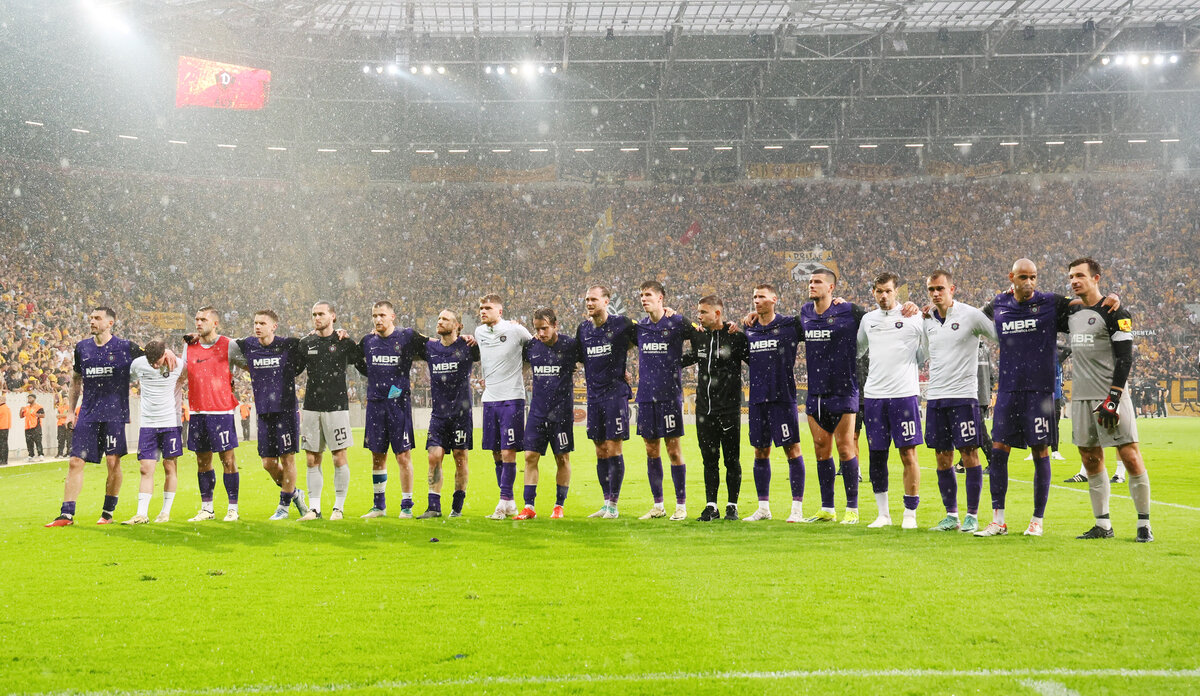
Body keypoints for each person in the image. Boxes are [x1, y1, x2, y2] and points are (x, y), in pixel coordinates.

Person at [975, 258, 1118, 538]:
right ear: (1012, 277)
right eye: (1023, 277)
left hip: (1039, 393)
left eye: (1033, 277)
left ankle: (1037, 520)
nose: (1029, 282)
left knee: (1040, 452)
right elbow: (969, 318)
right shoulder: (999, 303)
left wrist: (1111, 298)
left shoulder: (1051, 302)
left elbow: (1088, 304)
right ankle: (998, 520)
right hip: (1007, 391)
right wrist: (932, 310)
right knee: (998, 452)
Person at [1064, 258, 1154, 543]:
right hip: (1080, 396)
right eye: (1071, 276)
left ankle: (1144, 524)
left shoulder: (1116, 311)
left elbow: (1125, 357)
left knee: (1129, 455)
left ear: (1096, 278)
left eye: (1080, 275)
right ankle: (1103, 525)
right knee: (1090, 458)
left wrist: (1113, 397)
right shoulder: (1069, 311)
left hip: (1110, 395)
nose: (1074, 281)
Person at [47, 307, 155, 526]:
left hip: (114, 414)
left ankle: (107, 513)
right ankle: (66, 514)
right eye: (91, 318)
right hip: (88, 413)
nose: (92, 321)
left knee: (113, 462)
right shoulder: (82, 347)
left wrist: (167, 353)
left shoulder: (126, 347)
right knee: (75, 461)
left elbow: (154, 356)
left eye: (97, 318)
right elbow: (76, 380)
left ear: (110, 323)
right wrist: (71, 411)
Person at [921, 270, 996, 533]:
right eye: (931, 289)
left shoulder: (971, 315)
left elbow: (998, 334)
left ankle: (972, 516)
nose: (935, 294)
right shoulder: (926, 320)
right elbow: (921, 353)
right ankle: (951, 516)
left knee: (969, 454)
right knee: (942, 457)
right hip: (936, 398)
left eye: (940, 288)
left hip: (964, 397)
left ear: (952, 289)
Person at [857, 272, 927, 529]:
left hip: (904, 395)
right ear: (873, 293)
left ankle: (910, 514)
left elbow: (925, 352)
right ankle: (883, 515)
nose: (883, 296)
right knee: (877, 455)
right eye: (879, 291)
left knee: (908, 453)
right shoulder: (868, 320)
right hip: (874, 396)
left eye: (888, 291)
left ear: (897, 291)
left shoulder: (913, 316)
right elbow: (858, 350)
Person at [798, 268, 868, 525]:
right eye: (810, 281)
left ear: (831, 288)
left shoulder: (849, 311)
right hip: (815, 394)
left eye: (817, 282)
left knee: (846, 449)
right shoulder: (805, 313)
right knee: (821, 451)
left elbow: (878, 319)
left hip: (843, 391)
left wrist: (907, 309)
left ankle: (852, 509)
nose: (811, 285)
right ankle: (827, 508)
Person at [235, 309, 311, 521]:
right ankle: (294, 493)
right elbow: (221, 343)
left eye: (262, 323)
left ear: (274, 326)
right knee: (268, 463)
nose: (257, 326)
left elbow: (313, 342)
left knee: (287, 459)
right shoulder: (249, 344)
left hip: (285, 412)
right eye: (255, 323)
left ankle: (283, 506)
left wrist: (339, 333)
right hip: (264, 412)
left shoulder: (288, 345)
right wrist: (197, 337)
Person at [355, 301, 428, 519]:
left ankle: (406, 506)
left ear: (392, 317)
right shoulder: (367, 341)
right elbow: (357, 361)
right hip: (375, 404)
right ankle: (379, 506)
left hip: (398, 404)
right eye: (374, 315)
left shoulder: (406, 336)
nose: (378, 319)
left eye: (382, 315)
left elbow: (434, 345)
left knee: (403, 456)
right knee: (377, 456)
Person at [633, 281, 698, 521]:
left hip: (669, 396)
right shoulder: (639, 327)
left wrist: (680, 362)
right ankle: (658, 505)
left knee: (673, 450)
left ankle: (681, 505)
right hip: (645, 396)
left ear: (661, 298)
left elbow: (700, 337)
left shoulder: (677, 322)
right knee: (651, 450)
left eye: (648, 295)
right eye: (641, 295)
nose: (643, 299)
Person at [741, 283, 805, 522]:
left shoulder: (790, 325)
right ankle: (763, 508)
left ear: (774, 299)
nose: (757, 301)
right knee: (760, 451)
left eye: (761, 297)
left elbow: (816, 320)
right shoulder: (749, 329)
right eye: (754, 297)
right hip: (757, 400)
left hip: (783, 398)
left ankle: (796, 509)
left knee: (792, 450)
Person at [683, 295, 748, 521]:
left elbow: (756, 361)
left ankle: (732, 505)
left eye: (703, 312)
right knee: (709, 461)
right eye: (698, 312)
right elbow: (687, 352)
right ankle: (711, 506)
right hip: (704, 412)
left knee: (731, 460)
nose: (699, 316)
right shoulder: (699, 337)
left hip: (729, 411)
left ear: (717, 313)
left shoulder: (736, 337)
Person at [575, 285, 636, 519]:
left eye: (594, 299)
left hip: (615, 395)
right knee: (600, 450)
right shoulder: (583, 329)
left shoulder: (622, 324)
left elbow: (644, 336)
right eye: (587, 299)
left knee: (613, 447)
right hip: (594, 396)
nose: (589, 303)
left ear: (606, 301)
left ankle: (614, 504)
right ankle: (605, 502)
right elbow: (579, 357)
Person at [298, 301, 361, 521]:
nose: (317, 318)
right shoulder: (306, 343)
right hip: (311, 407)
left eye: (321, 314)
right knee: (311, 458)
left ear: (332, 316)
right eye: (314, 314)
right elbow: (293, 368)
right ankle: (314, 509)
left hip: (337, 408)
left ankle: (338, 508)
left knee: (338, 457)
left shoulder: (344, 342)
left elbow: (362, 361)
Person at [474, 294, 533, 520]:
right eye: (481, 308)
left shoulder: (515, 330)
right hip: (489, 399)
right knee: (496, 451)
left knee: (509, 451)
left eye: (488, 308)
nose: (483, 311)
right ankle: (509, 503)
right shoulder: (479, 332)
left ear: (500, 311)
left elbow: (534, 348)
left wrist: (521, 371)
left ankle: (502, 501)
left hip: (512, 398)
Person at [182, 306, 244, 522]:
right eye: (197, 319)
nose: (198, 323)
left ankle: (233, 508)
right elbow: (182, 373)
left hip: (221, 412)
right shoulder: (189, 346)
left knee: (228, 460)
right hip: (198, 412)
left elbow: (249, 365)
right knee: (202, 461)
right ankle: (207, 508)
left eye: (203, 319)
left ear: (215, 323)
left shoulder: (229, 345)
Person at [516, 307, 578, 519]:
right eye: (537, 329)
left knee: (562, 458)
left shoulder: (570, 345)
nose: (540, 333)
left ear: (555, 325)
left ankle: (559, 505)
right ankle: (529, 506)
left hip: (561, 414)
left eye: (544, 328)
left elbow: (592, 362)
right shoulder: (532, 346)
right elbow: (520, 367)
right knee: (530, 456)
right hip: (537, 412)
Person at [419, 310, 478, 519]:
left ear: (458, 326)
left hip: (461, 414)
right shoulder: (430, 347)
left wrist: (474, 339)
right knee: (433, 456)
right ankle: (433, 506)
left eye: (445, 319)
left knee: (460, 457)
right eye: (439, 319)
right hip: (438, 415)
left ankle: (457, 507)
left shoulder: (467, 346)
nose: (440, 321)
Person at [123, 339, 185, 524]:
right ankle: (141, 514)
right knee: (145, 468)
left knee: (169, 466)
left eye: (157, 362)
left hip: (170, 422)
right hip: (148, 424)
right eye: (151, 362)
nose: (154, 366)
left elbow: (188, 376)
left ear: (164, 354)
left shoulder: (178, 364)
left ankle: (165, 512)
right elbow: (126, 378)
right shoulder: (138, 364)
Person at [20, 393, 45, 461]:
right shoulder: (26, 408)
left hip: (36, 426)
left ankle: (40, 454)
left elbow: (43, 415)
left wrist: (35, 414)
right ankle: (31, 455)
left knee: (38, 441)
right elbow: (21, 416)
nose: (29, 399)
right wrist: (21, 410)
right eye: (28, 398)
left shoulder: (38, 407)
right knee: (29, 442)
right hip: (28, 427)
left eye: (30, 398)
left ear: (34, 399)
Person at [0, 390, 10, 467]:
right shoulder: (6, 408)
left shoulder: (2, 408)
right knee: (4, 444)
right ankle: (4, 459)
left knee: (2, 444)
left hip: (2, 427)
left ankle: (2, 459)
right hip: (5, 427)